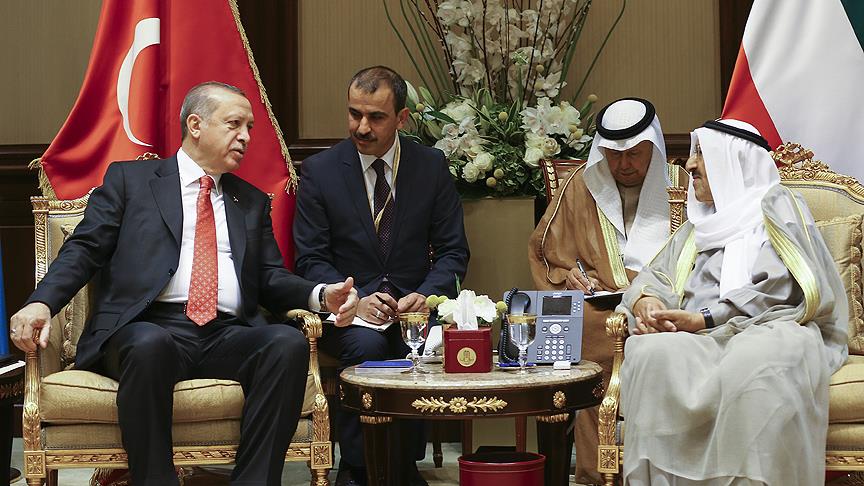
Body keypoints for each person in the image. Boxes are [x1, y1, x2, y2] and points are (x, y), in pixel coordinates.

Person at [8, 81, 359, 486]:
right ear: (195, 125)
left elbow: (269, 277)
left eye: (249, 127)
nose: (246, 136)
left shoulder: (249, 201)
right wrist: (42, 302)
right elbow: (84, 249)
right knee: (150, 344)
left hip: (225, 332)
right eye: (234, 124)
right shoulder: (131, 181)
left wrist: (320, 295)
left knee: (286, 343)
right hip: (147, 328)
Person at [617, 119, 848, 485]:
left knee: (757, 360)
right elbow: (657, 273)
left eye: (701, 154)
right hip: (696, 336)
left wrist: (706, 318)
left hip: (767, 328)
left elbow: (780, 286)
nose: (690, 164)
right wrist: (647, 300)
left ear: (733, 160)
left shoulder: (778, 206)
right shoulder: (700, 222)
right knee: (651, 353)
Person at [294, 66, 469, 486]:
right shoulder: (320, 171)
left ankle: (399, 467)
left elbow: (453, 251)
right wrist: (355, 298)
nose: (362, 127)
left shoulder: (430, 166)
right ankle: (362, 469)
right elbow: (310, 259)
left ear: (402, 118)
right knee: (368, 344)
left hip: (413, 309)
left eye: (376, 117)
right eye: (354, 114)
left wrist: (426, 295)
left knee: (416, 345)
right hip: (349, 312)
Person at [527, 97, 674, 481]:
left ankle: (658, 470)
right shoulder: (580, 185)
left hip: (663, 305)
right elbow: (546, 253)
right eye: (614, 155)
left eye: (635, 154)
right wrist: (569, 275)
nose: (624, 165)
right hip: (596, 306)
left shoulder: (681, 188)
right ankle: (597, 472)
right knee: (593, 337)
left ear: (653, 147)